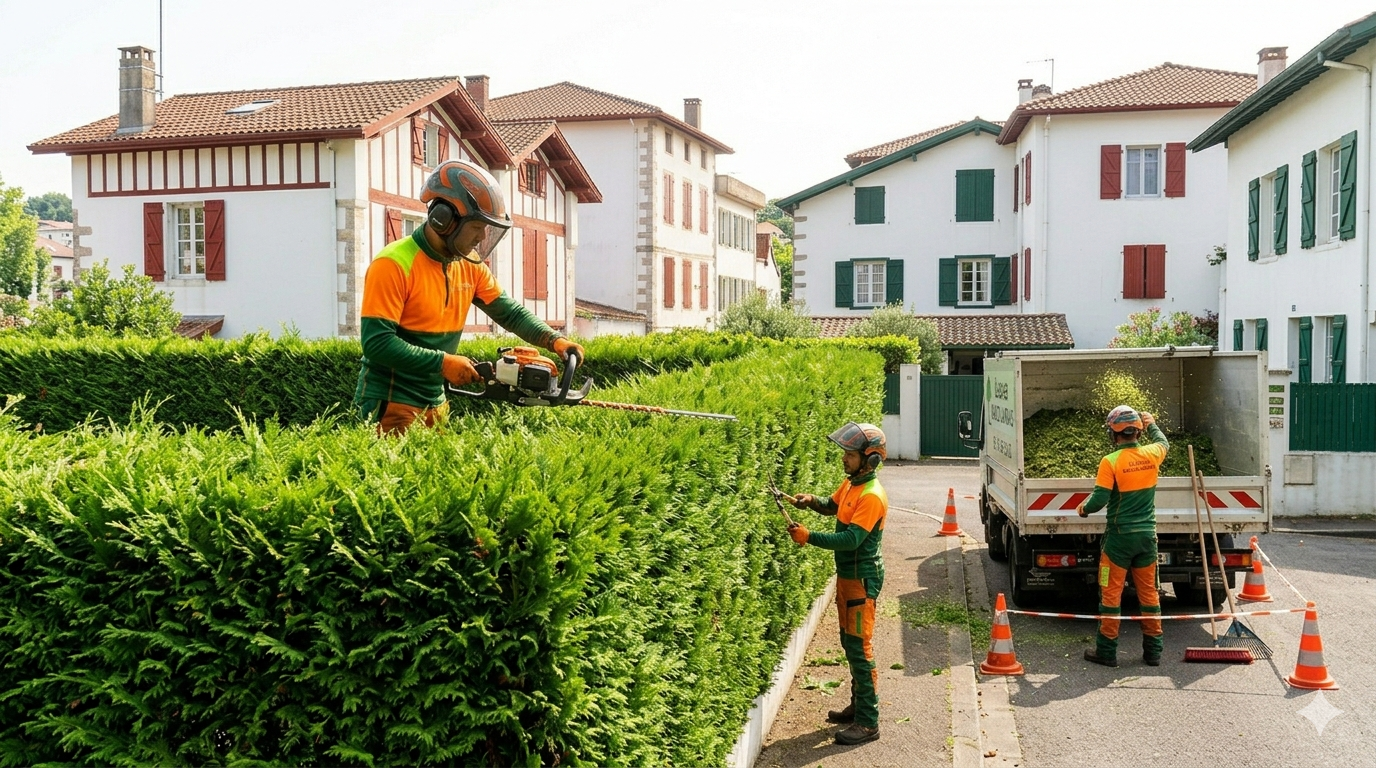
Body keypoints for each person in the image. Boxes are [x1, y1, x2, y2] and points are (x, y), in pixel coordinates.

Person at [354, 160, 584, 435]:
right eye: (477, 226)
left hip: (436, 402)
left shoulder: (470, 265)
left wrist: (553, 340)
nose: (483, 236)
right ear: (444, 218)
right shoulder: (393, 264)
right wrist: (443, 362)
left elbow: (509, 313)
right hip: (390, 403)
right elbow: (376, 344)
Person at [787, 422, 889, 746]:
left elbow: (850, 539)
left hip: (862, 580)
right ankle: (859, 708)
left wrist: (809, 537)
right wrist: (810, 501)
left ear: (869, 460)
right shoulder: (851, 486)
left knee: (860, 649)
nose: (844, 459)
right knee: (849, 643)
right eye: (844, 453)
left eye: (850, 454)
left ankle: (868, 722)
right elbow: (832, 505)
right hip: (848, 580)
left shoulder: (872, 496)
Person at [1076, 405, 1170, 667]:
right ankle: (1153, 652)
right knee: (1149, 594)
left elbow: (1099, 500)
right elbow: (1163, 442)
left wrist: (1083, 509)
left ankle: (1106, 651)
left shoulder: (1111, 461)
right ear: (1138, 432)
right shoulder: (1152, 453)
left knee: (1111, 593)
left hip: (1118, 541)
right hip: (1147, 539)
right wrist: (1151, 423)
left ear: (1114, 434)